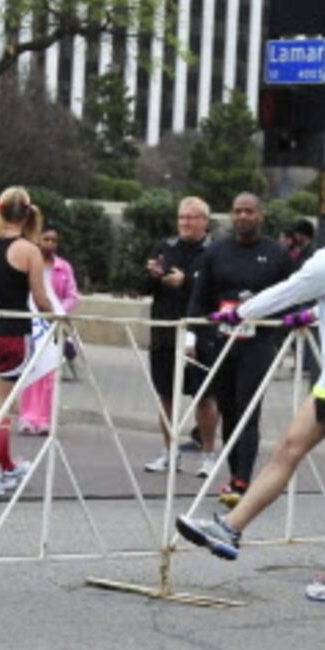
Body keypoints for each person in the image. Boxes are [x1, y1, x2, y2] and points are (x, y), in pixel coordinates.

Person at [172, 168, 325, 598]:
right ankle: (230, 529)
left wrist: (239, 313)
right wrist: (309, 317)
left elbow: (288, 289)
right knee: (289, 448)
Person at [190, 193, 294, 500]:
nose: (243, 217)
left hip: (257, 344)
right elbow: (200, 297)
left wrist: (280, 329)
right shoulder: (217, 252)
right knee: (229, 410)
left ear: (261, 215)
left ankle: (242, 481)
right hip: (222, 342)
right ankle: (235, 472)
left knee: (248, 409)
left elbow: (291, 295)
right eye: (237, 212)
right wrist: (193, 337)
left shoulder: (275, 254)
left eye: (249, 211)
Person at [0, 186, 64, 499]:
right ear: (29, 214)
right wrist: (59, 322)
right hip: (11, 334)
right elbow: (40, 298)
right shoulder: (28, 251)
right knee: (3, 409)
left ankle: (5, 465)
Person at [140, 197, 215, 469]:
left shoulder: (214, 251)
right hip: (165, 332)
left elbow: (215, 289)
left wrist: (186, 282)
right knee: (166, 394)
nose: (185, 222)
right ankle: (169, 452)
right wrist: (153, 275)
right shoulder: (164, 247)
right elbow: (143, 285)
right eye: (182, 217)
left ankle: (208, 455)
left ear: (204, 222)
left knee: (205, 396)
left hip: (201, 334)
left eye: (192, 217)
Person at [14, 227, 81, 436]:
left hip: (54, 323)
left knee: (50, 373)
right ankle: (27, 416)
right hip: (33, 323)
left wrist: (60, 309)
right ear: (38, 240)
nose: (50, 243)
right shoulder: (29, 263)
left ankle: (45, 418)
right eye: (46, 239)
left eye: (54, 240)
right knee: (32, 371)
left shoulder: (64, 268)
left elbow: (72, 295)